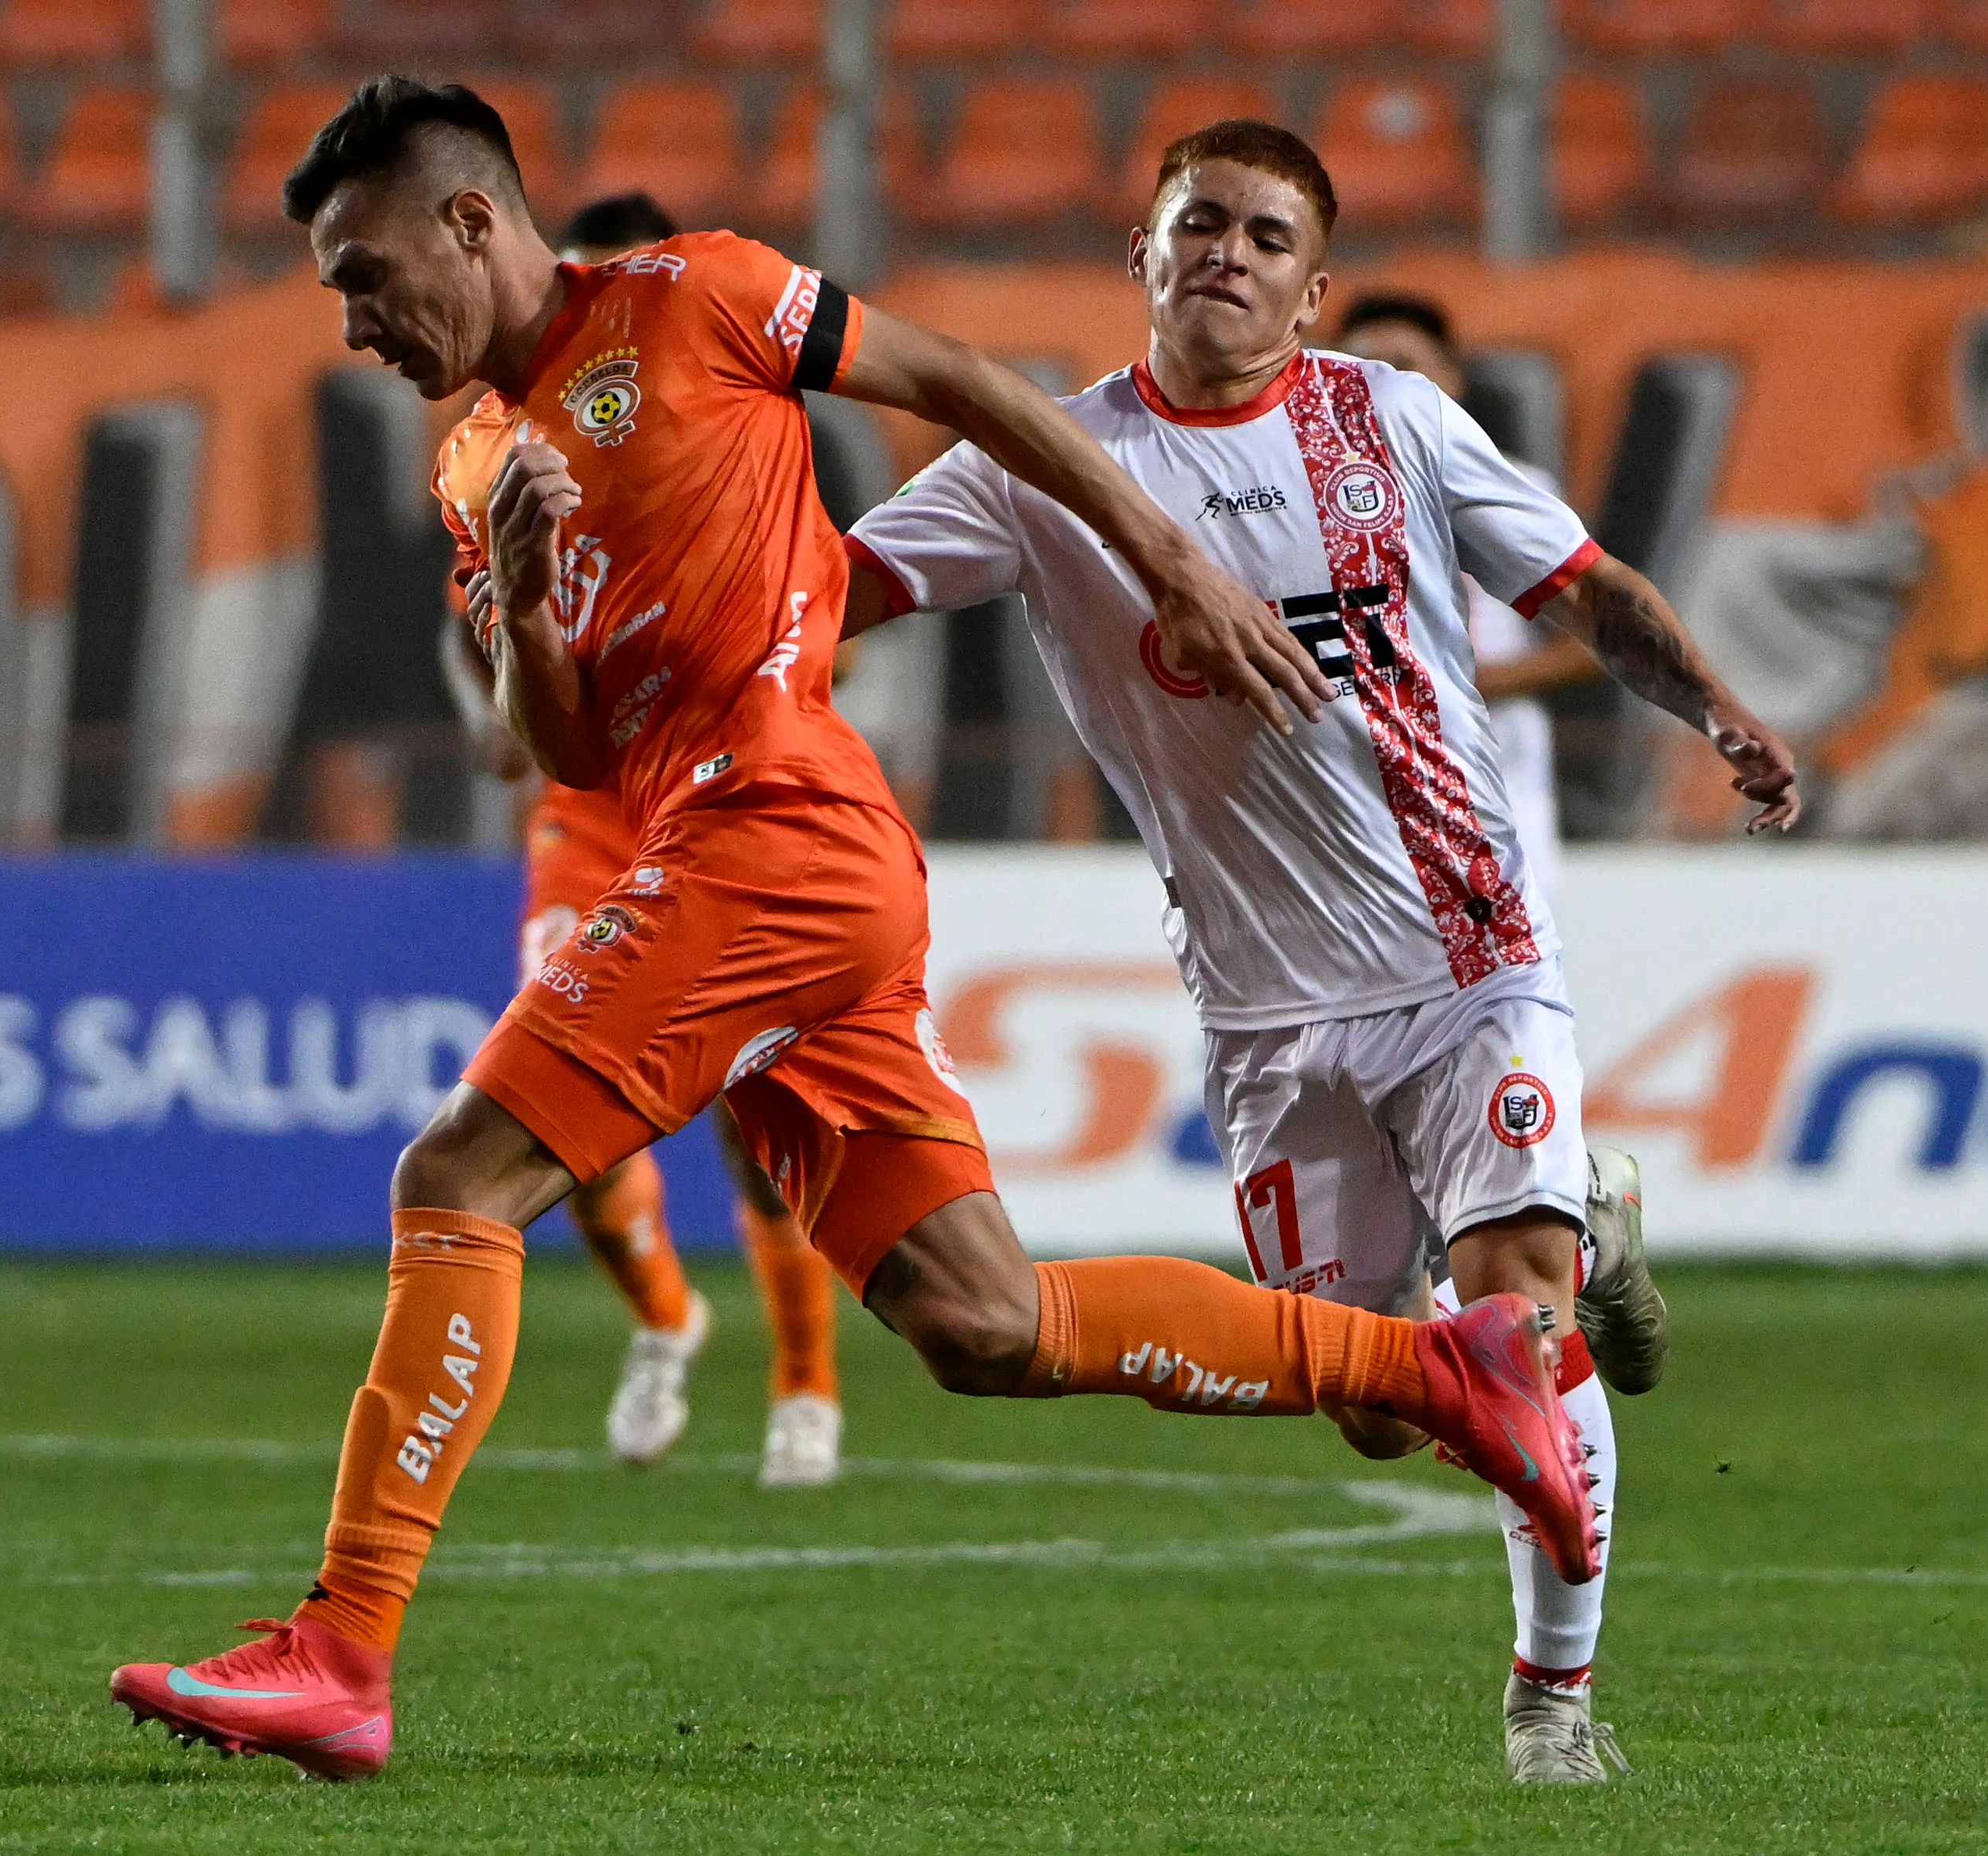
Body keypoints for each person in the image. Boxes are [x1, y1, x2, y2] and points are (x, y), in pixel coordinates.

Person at [110, 77, 1602, 1783]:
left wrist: (1168, 553)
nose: (357, 320)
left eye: (364, 273)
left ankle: (341, 1645)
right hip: (724, 852)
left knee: (456, 1179)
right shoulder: (474, 460)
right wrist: (518, 598)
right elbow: (561, 745)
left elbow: (960, 383)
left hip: (780, 835)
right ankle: (1445, 1371)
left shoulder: (700, 298)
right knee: (981, 1320)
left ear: (468, 218)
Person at [841, 119, 1801, 1784]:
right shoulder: (1041, 467)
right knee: (1375, 1393)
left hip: (1466, 950)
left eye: (1266, 236)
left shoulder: (1396, 421)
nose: (1225, 250)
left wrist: (1715, 705)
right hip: (1266, 1012)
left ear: (1312, 290)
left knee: (1504, 1322)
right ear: (1138, 253)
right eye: (1196, 222)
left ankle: (1551, 1700)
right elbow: (832, 588)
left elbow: (1579, 587)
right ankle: (1603, 1208)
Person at [439, 188, 847, 1488]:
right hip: (587, 821)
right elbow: (499, 689)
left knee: (749, 1110)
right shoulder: (497, 448)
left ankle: (805, 1385)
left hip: (721, 795)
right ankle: (667, 1315)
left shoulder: (721, 421)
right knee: (562, 1113)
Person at [1331, 291, 1597, 901]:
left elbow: (1590, 644)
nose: (1387, 389)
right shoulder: (1305, 500)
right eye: (1364, 370)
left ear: (1451, 378)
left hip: (1498, 787)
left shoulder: (1518, 490)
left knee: (1512, 985)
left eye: (1408, 368)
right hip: (1364, 793)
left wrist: (1458, 680)